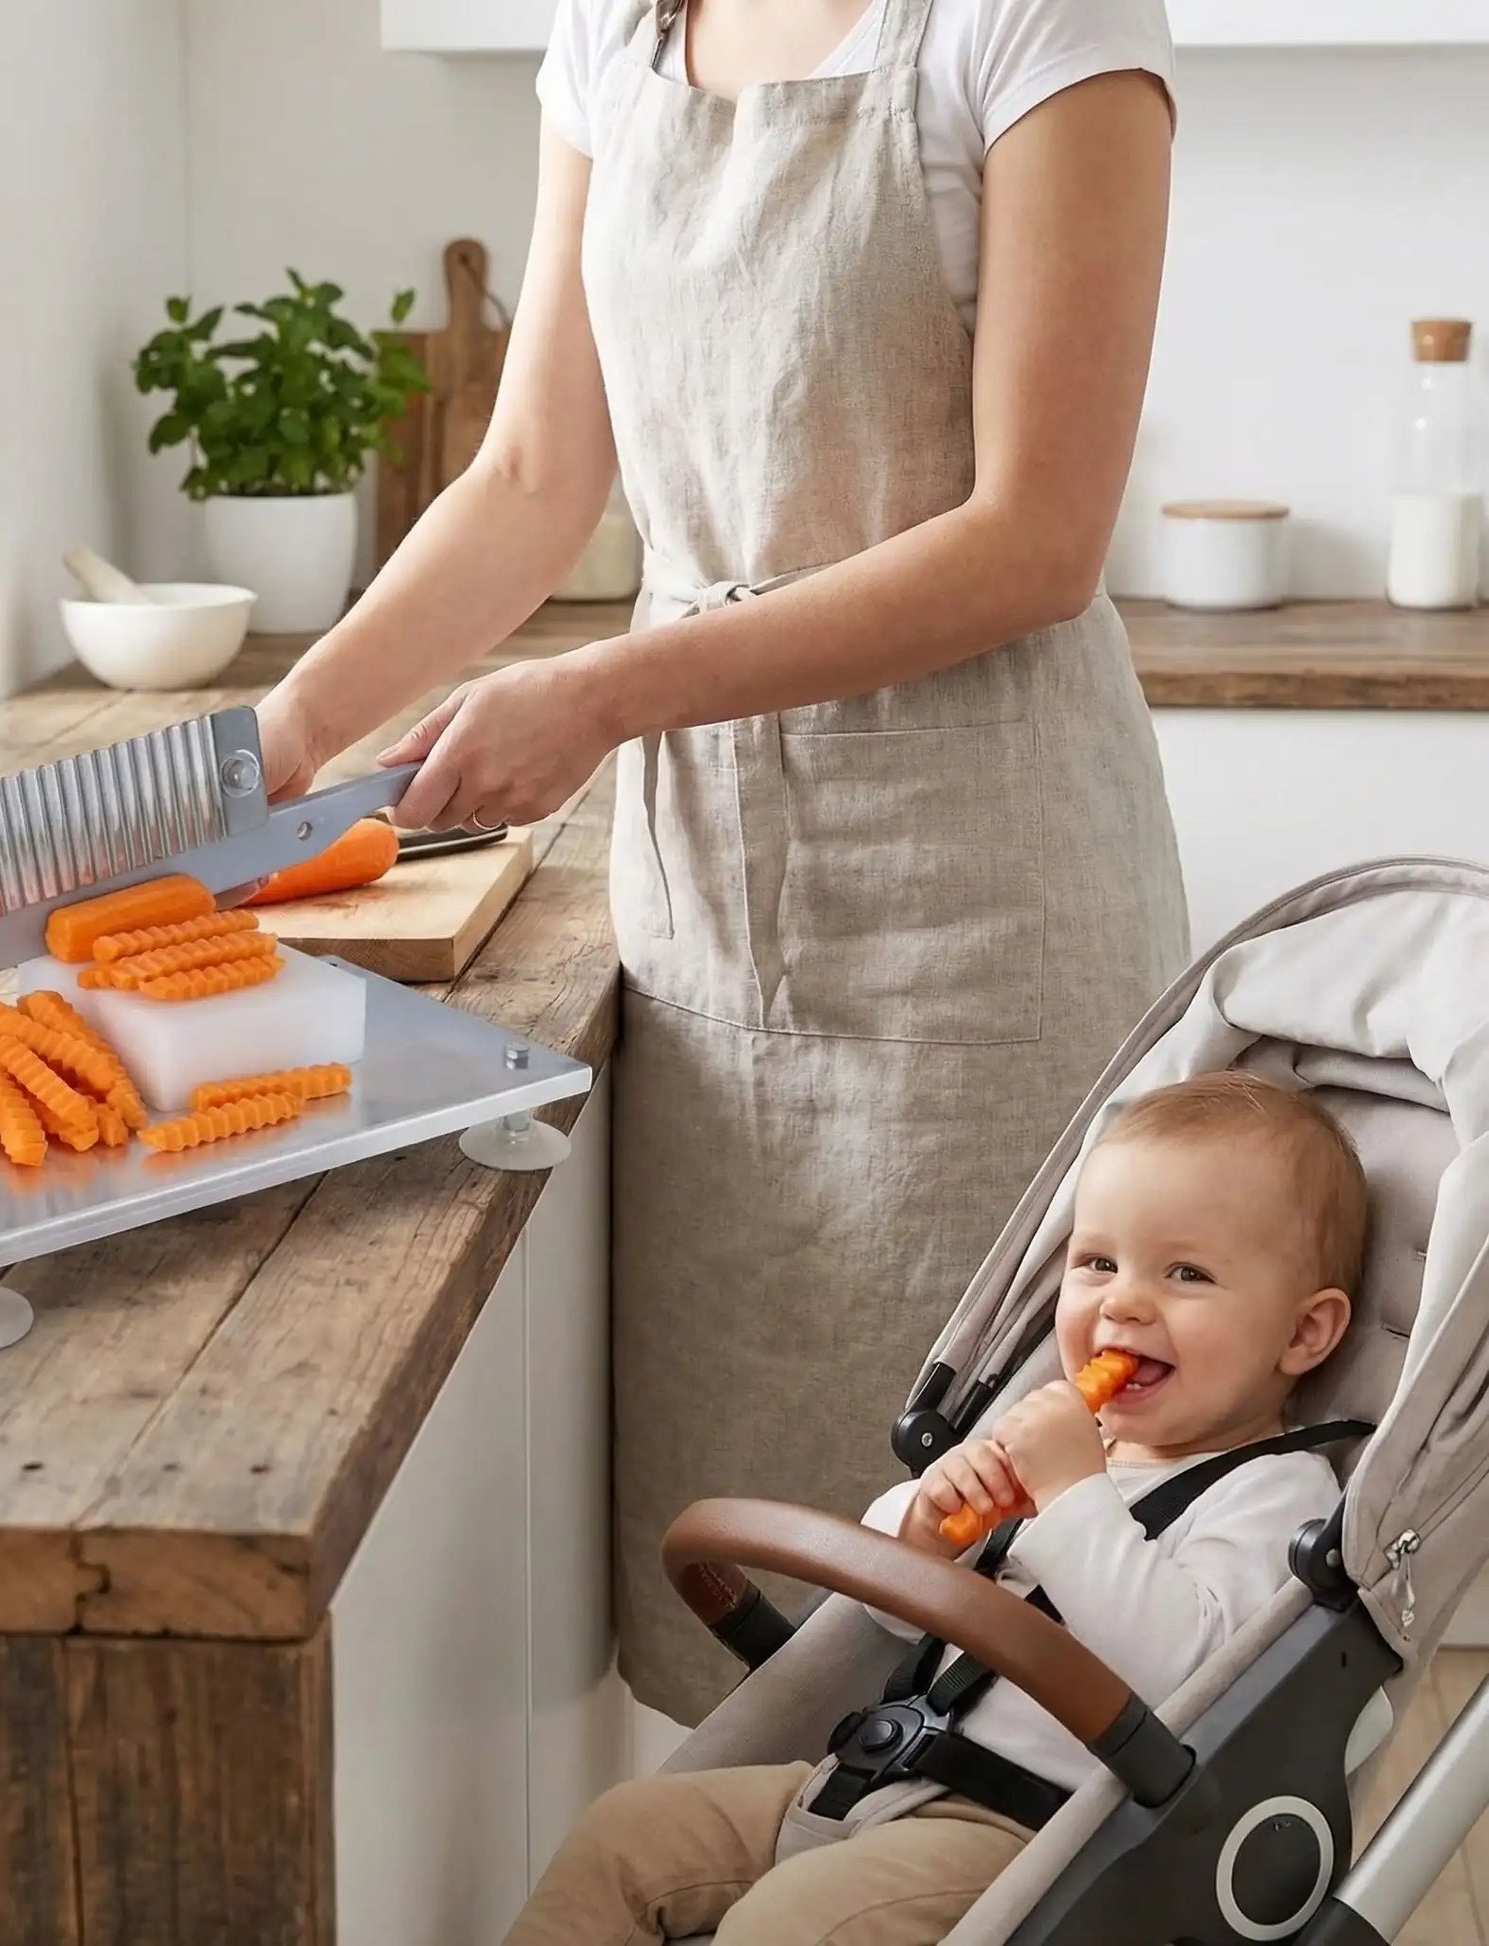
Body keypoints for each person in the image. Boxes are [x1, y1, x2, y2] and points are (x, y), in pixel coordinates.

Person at [252, 0, 1190, 1721]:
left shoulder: (1037, 21)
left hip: (981, 903)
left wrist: (603, 691)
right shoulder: (616, 31)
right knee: (758, 1580)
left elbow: (1036, 538)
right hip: (713, 920)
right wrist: (285, 733)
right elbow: (536, 472)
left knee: (1007, 1567)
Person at [502, 1071, 1367, 1945]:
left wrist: (1071, 1495)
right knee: (622, 1838)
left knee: (786, 1927)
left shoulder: (1275, 1493)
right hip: (868, 1768)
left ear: (1303, 1334)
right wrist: (925, 1528)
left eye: (1187, 1273)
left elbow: (1186, 1671)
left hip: (1018, 1836)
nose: (1123, 1301)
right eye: (1097, 1262)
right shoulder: (1059, 1440)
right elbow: (887, 1608)